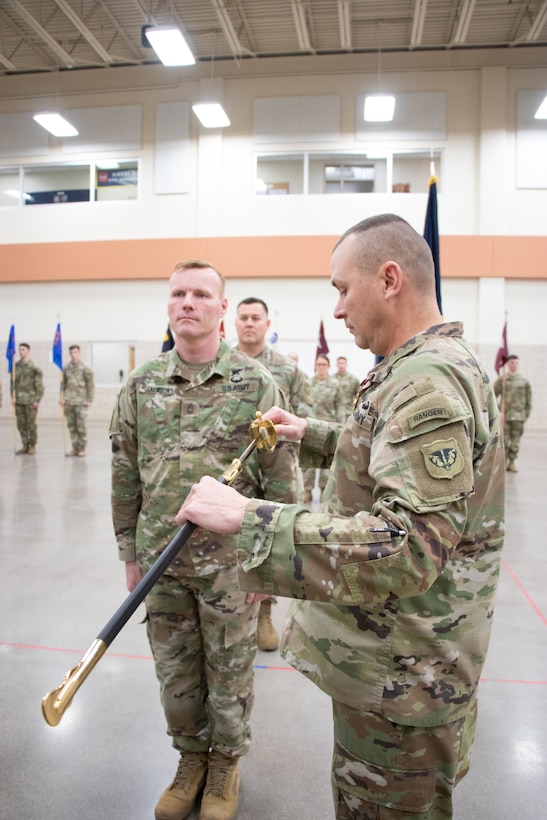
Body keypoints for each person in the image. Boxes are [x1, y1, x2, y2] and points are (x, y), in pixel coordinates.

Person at [177, 215, 506, 820]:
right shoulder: (423, 365)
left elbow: (407, 548)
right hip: (396, 664)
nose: (336, 309)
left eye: (341, 289)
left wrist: (250, 517)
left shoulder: (426, 380)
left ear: (389, 280)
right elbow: (391, 455)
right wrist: (315, 435)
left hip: (402, 679)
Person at [109, 260, 297, 820]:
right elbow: (123, 474)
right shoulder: (141, 385)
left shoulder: (256, 384)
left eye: (200, 294)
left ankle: (225, 765)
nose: (187, 302)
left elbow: (282, 482)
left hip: (231, 567)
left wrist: (271, 565)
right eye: (178, 293)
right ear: (169, 307)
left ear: (221, 310)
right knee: (175, 672)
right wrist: (128, 553)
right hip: (160, 564)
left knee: (231, 666)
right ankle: (190, 758)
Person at [235, 296, 312, 651]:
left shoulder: (287, 369)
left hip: (274, 471)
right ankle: (234, 612)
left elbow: (304, 416)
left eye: (256, 318)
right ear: (234, 324)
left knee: (266, 539)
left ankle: (264, 611)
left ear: (268, 325)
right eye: (243, 318)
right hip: (235, 475)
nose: (249, 323)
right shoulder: (225, 366)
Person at [303, 354, 344, 504]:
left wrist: (341, 424)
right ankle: (307, 490)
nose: (320, 367)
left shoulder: (334, 384)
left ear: (328, 366)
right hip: (311, 425)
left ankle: (323, 491)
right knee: (308, 460)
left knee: (327, 461)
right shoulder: (308, 383)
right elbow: (303, 404)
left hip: (329, 426)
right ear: (315, 366)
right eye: (318, 364)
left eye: (323, 365)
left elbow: (339, 405)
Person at [494, 353, 532, 473]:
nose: (514, 365)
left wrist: (527, 414)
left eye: (516, 363)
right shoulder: (503, 380)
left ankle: (512, 462)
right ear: (508, 364)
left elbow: (528, 399)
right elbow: (493, 396)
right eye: (511, 363)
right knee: (504, 440)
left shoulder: (524, 381)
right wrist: (499, 411)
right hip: (505, 415)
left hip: (519, 416)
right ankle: (503, 462)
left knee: (516, 440)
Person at [60, 344, 95, 456]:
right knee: (71, 426)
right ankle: (75, 447)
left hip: (81, 401)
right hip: (69, 401)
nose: (73, 355)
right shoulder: (66, 368)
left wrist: (90, 399)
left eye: (75, 352)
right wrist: (61, 398)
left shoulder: (85, 368)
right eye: (71, 353)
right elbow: (63, 384)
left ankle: (82, 448)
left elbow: (90, 385)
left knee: (81, 426)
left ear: (79, 353)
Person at [10, 343, 44, 455]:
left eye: (23, 349)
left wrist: (37, 400)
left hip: (30, 401)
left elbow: (40, 386)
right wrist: (13, 397)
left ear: (28, 350)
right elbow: (13, 383)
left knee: (31, 424)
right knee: (21, 424)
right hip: (19, 401)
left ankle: (32, 445)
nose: (21, 352)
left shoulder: (34, 368)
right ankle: (25, 445)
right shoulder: (15, 366)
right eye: (19, 350)